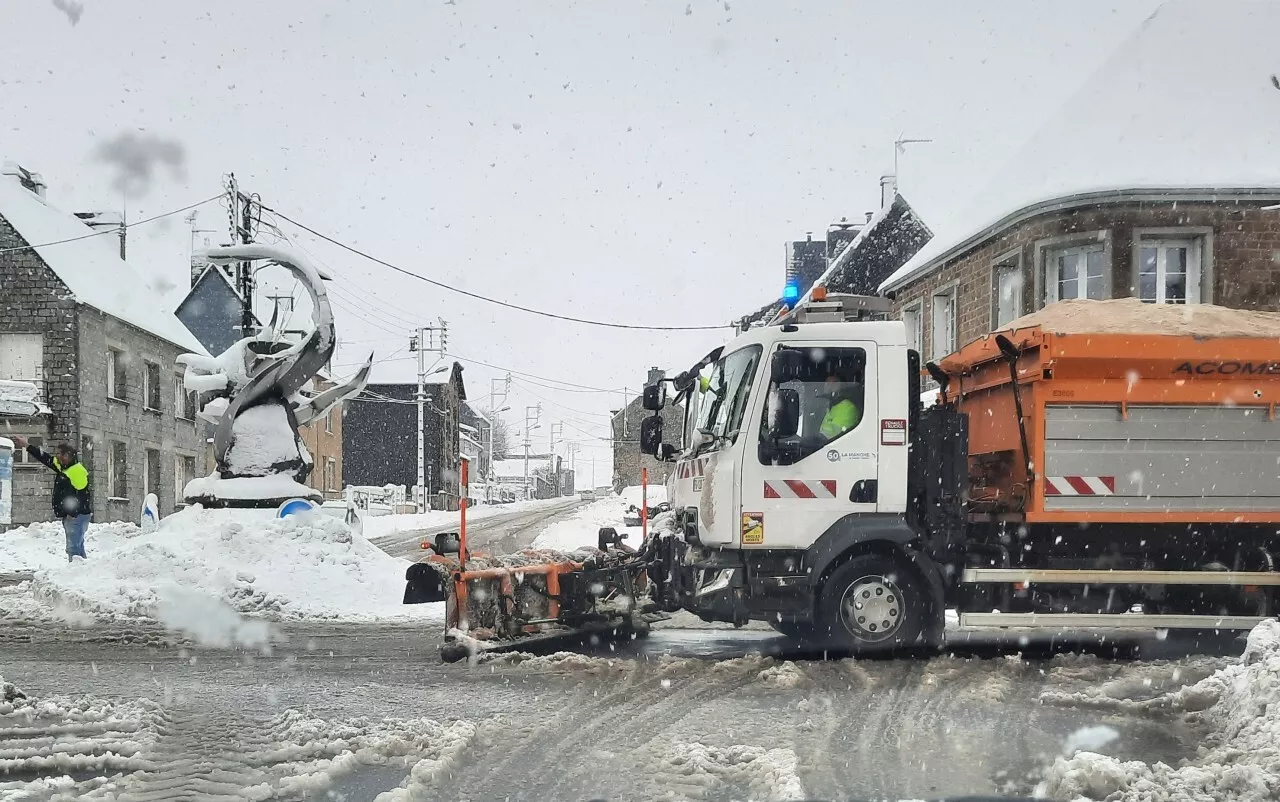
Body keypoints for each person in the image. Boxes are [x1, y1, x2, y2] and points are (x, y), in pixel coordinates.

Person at [12, 436, 92, 562]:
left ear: (67, 455)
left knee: (73, 548)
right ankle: (82, 572)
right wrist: (26, 445)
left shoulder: (77, 471)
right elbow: (46, 458)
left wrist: (73, 513)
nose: (57, 457)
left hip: (77, 515)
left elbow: (83, 495)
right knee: (77, 547)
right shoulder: (64, 467)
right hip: (73, 515)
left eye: (60, 454)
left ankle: (76, 573)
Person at [819, 372, 862, 440]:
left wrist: (817, 440)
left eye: (834, 383)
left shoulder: (848, 408)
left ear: (842, 386)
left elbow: (837, 436)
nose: (829, 386)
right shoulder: (831, 406)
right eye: (827, 383)